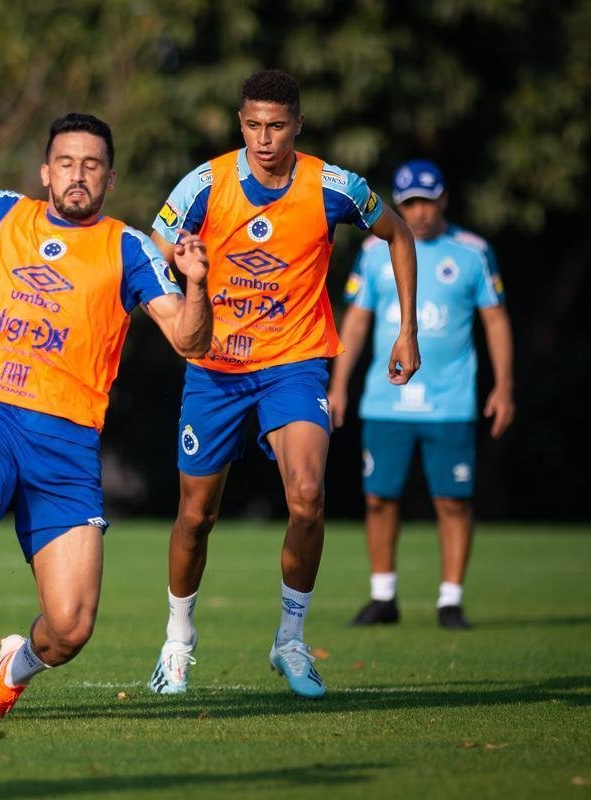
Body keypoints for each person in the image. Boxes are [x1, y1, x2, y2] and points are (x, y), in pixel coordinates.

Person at [0, 112, 213, 734]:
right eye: (66, 163)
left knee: (70, 628)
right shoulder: (10, 212)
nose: (77, 175)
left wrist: (197, 285)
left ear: (109, 179)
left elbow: (190, 341)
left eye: (91, 165)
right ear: (45, 171)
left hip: (67, 439)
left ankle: (15, 668)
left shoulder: (127, 246)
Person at [145, 69, 421, 699]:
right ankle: (178, 640)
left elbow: (398, 233)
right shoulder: (204, 183)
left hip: (294, 364)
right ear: (239, 123)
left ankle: (291, 641)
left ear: (299, 124)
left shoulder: (335, 186)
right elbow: (147, 250)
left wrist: (406, 331)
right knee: (195, 515)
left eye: (275, 126)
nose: (263, 139)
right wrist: (183, 281)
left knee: (307, 497)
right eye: (252, 126)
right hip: (214, 371)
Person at [329, 159, 514, 630]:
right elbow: (356, 318)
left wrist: (504, 386)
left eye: (428, 201)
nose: (419, 212)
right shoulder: (374, 252)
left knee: (452, 500)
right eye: (410, 202)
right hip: (384, 398)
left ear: (443, 200)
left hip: (450, 400)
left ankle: (450, 599)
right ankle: (383, 595)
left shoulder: (472, 253)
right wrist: (339, 386)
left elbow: (495, 319)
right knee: (378, 497)